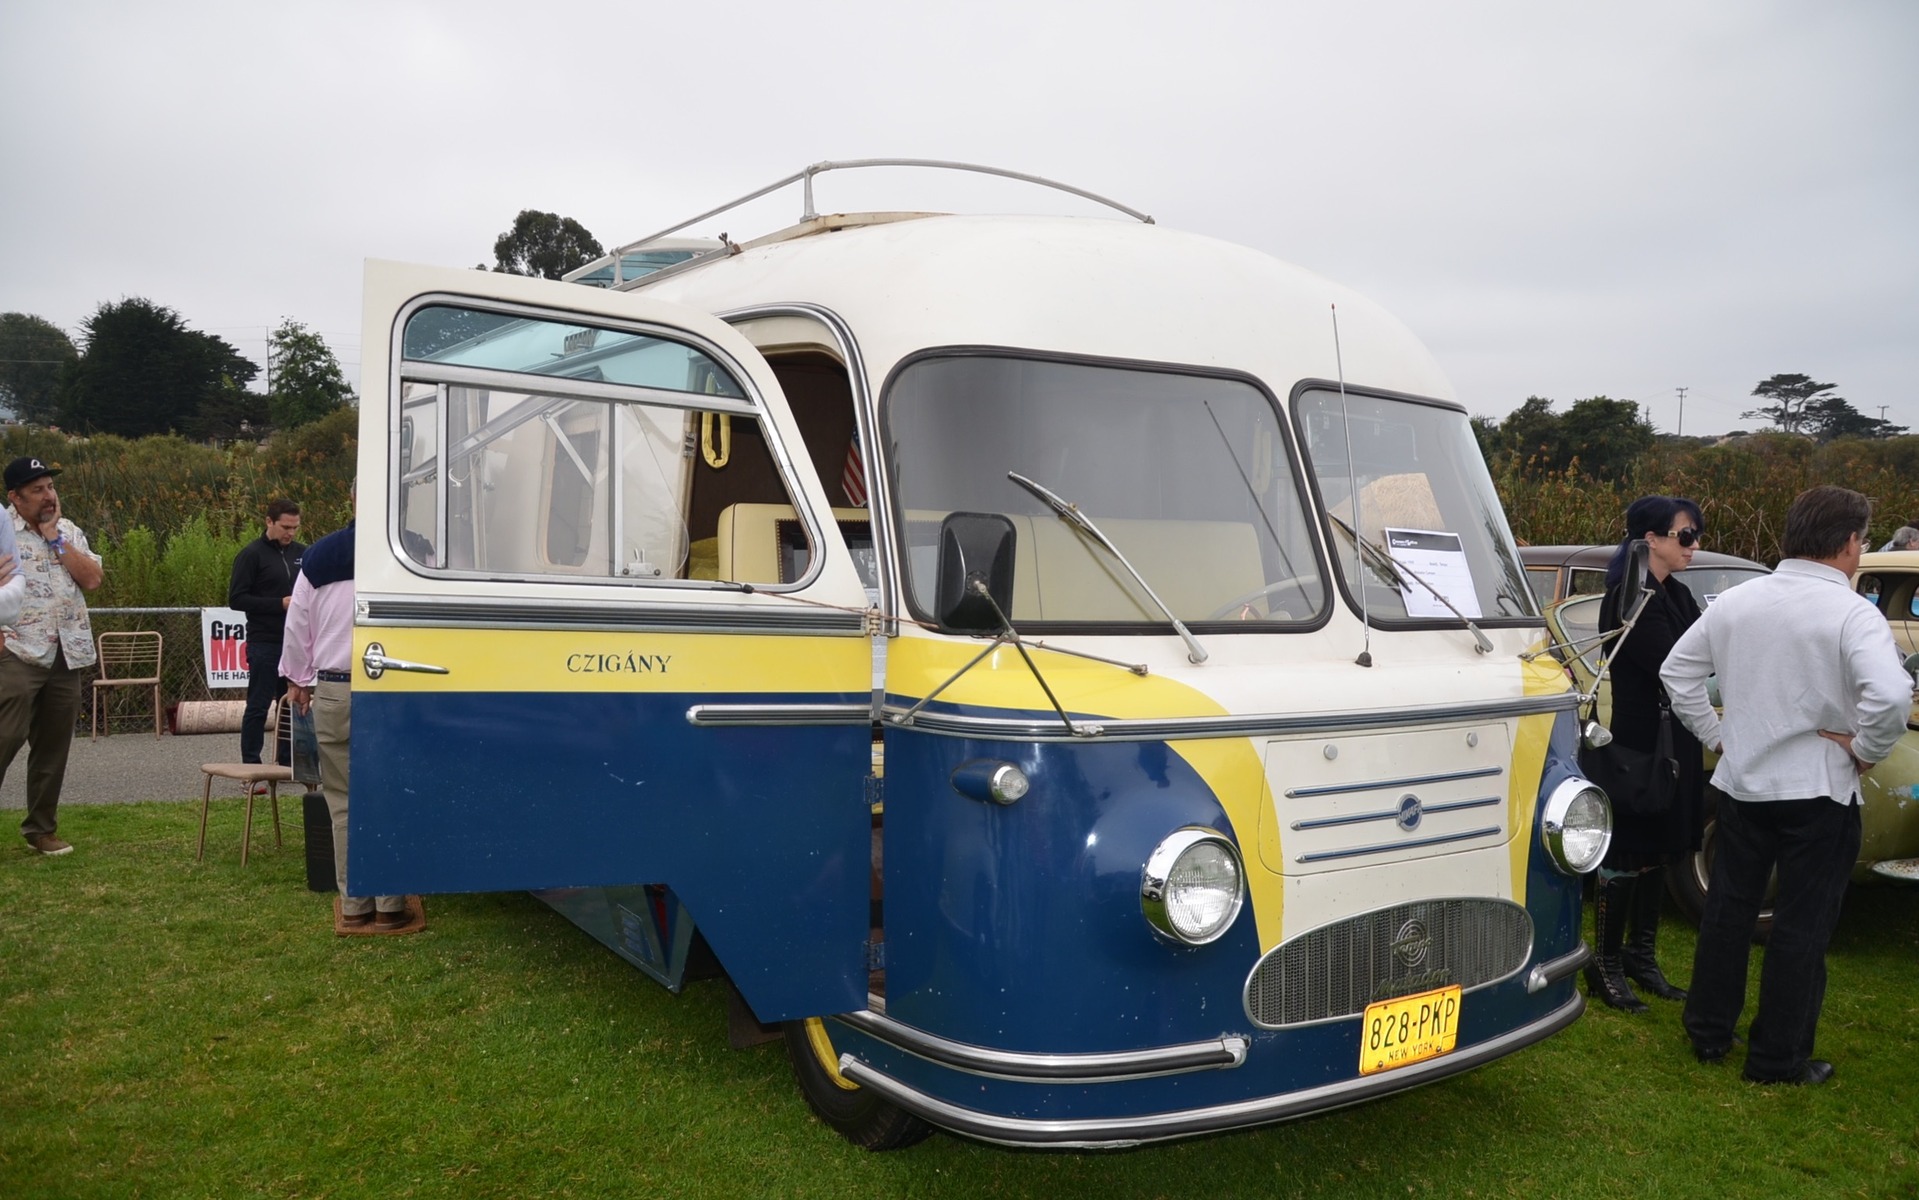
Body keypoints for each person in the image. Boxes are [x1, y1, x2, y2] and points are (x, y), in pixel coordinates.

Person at [1662, 485, 1911, 1085]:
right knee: (1802, 925)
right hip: (1818, 789)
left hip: (1744, 785)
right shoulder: (1852, 612)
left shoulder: (1737, 602)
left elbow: (1678, 672)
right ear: (1849, 542)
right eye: (1861, 541)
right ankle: (1776, 1058)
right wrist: (1866, 751)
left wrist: (1719, 736)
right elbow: (1891, 696)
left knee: (1728, 912)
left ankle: (1709, 1032)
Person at [1585, 496, 1707, 1012]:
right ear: (1651, 539)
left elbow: (1702, 655)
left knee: (1663, 846)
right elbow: (1676, 660)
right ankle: (1605, 963)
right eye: (1686, 536)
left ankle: (1641, 956)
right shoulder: (1627, 599)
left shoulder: (1677, 593)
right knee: (1629, 849)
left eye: (1696, 535)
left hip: (1678, 734)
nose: (1694, 545)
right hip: (1640, 740)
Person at [281, 502, 411, 929]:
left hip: (335, 687)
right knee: (389, 797)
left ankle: (355, 906)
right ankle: (391, 904)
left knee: (342, 802)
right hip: (392, 687)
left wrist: (298, 679)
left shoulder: (318, 556)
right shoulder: (412, 551)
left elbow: (297, 625)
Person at [0, 456, 104, 855]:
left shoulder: (68, 530)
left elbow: (92, 579)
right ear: (15, 497)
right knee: (6, 736)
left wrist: (53, 537)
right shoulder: (2, 531)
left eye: (51, 487)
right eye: (37, 490)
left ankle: (41, 830)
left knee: (52, 748)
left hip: (66, 654)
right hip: (15, 650)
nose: (49, 496)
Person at [228, 499, 305, 769]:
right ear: (269, 522)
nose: (290, 533)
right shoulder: (251, 555)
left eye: (295, 528)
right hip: (264, 641)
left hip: (295, 642)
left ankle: (287, 763)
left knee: (291, 703)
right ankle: (251, 765)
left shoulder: (303, 553)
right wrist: (278, 604)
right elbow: (237, 599)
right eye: (285, 527)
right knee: (259, 704)